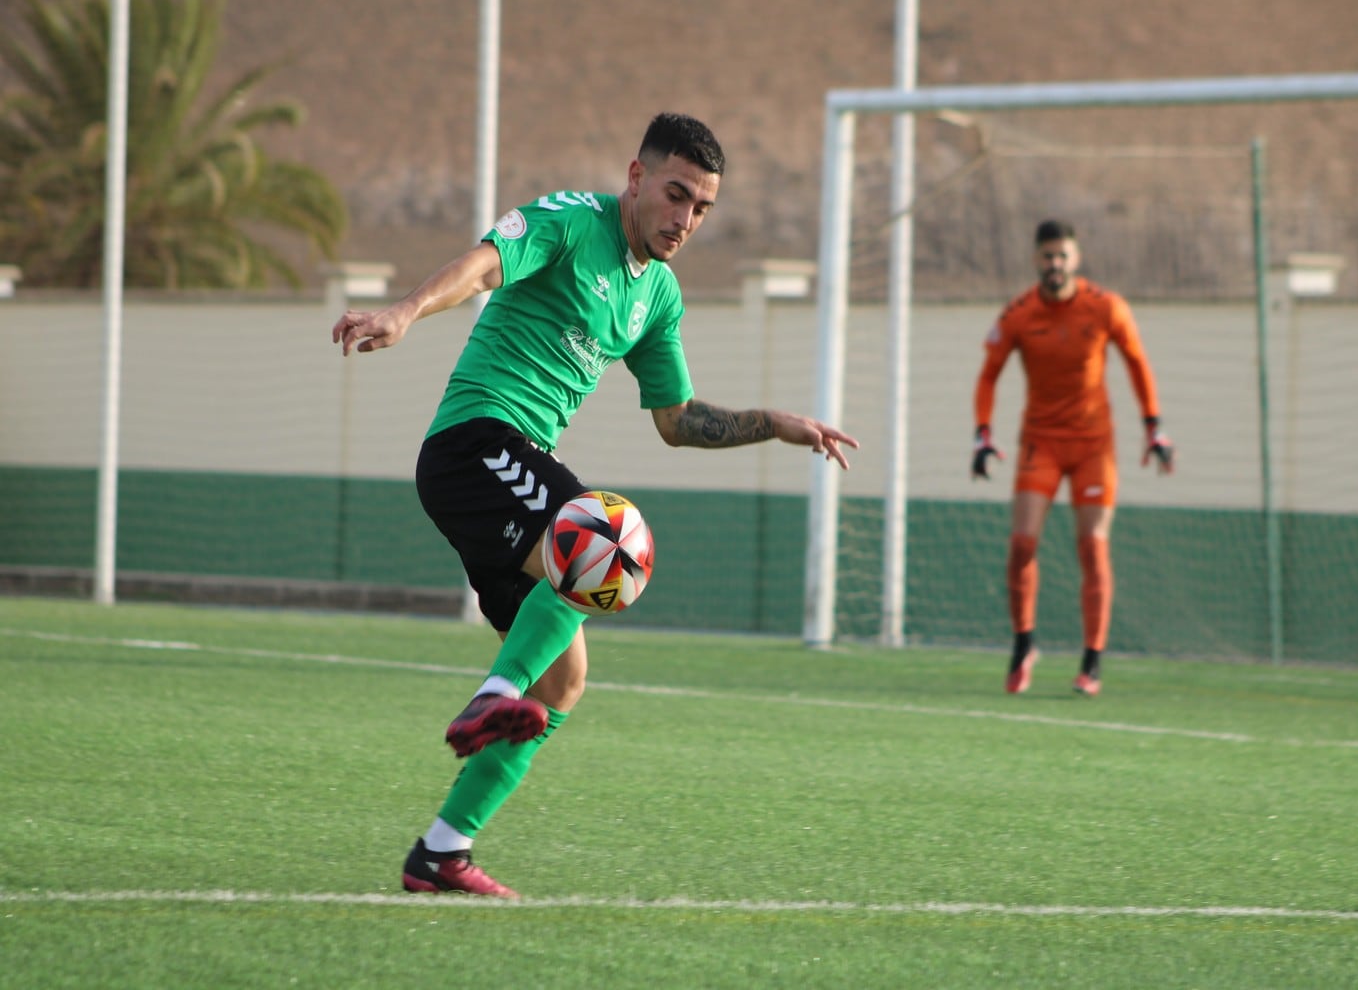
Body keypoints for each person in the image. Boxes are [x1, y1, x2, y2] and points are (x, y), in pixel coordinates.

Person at [332, 113, 858, 898]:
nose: (685, 220)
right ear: (637, 178)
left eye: (702, 208)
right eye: (676, 195)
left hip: (515, 476)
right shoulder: (570, 222)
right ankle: (490, 699)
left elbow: (678, 422)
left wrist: (774, 426)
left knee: (565, 681)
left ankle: (441, 851)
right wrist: (405, 311)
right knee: (605, 535)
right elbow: (485, 267)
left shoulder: (660, 297)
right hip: (475, 445)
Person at [970, 219, 1173, 698]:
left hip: (1093, 446)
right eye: (1047, 256)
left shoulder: (1106, 307)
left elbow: (1138, 362)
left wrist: (1154, 428)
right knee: (1022, 544)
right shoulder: (1018, 314)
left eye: (1062, 256)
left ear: (1075, 259)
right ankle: (1023, 645)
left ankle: (1092, 663)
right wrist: (983, 435)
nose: (1054, 265)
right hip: (1040, 441)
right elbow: (987, 376)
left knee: (1092, 548)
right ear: (1035, 260)